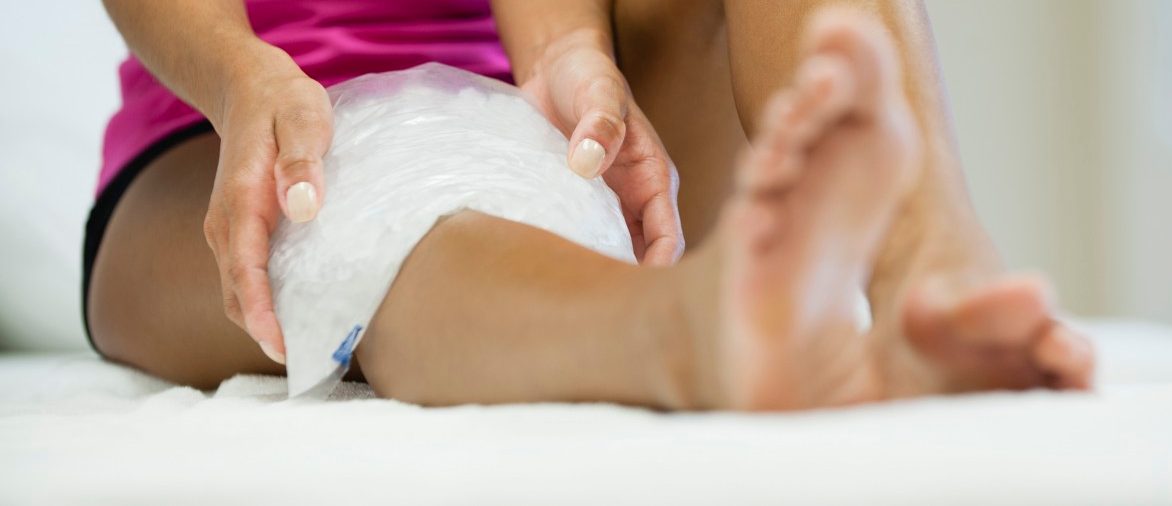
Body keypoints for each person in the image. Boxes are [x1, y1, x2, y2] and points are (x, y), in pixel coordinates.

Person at [86, 0, 1094, 410]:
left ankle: (934, 268)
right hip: (229, 136)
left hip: (519, 107)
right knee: (371, 216)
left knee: (466, 172)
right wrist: (236, 75)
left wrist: (566, 50)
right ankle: (692, 330)